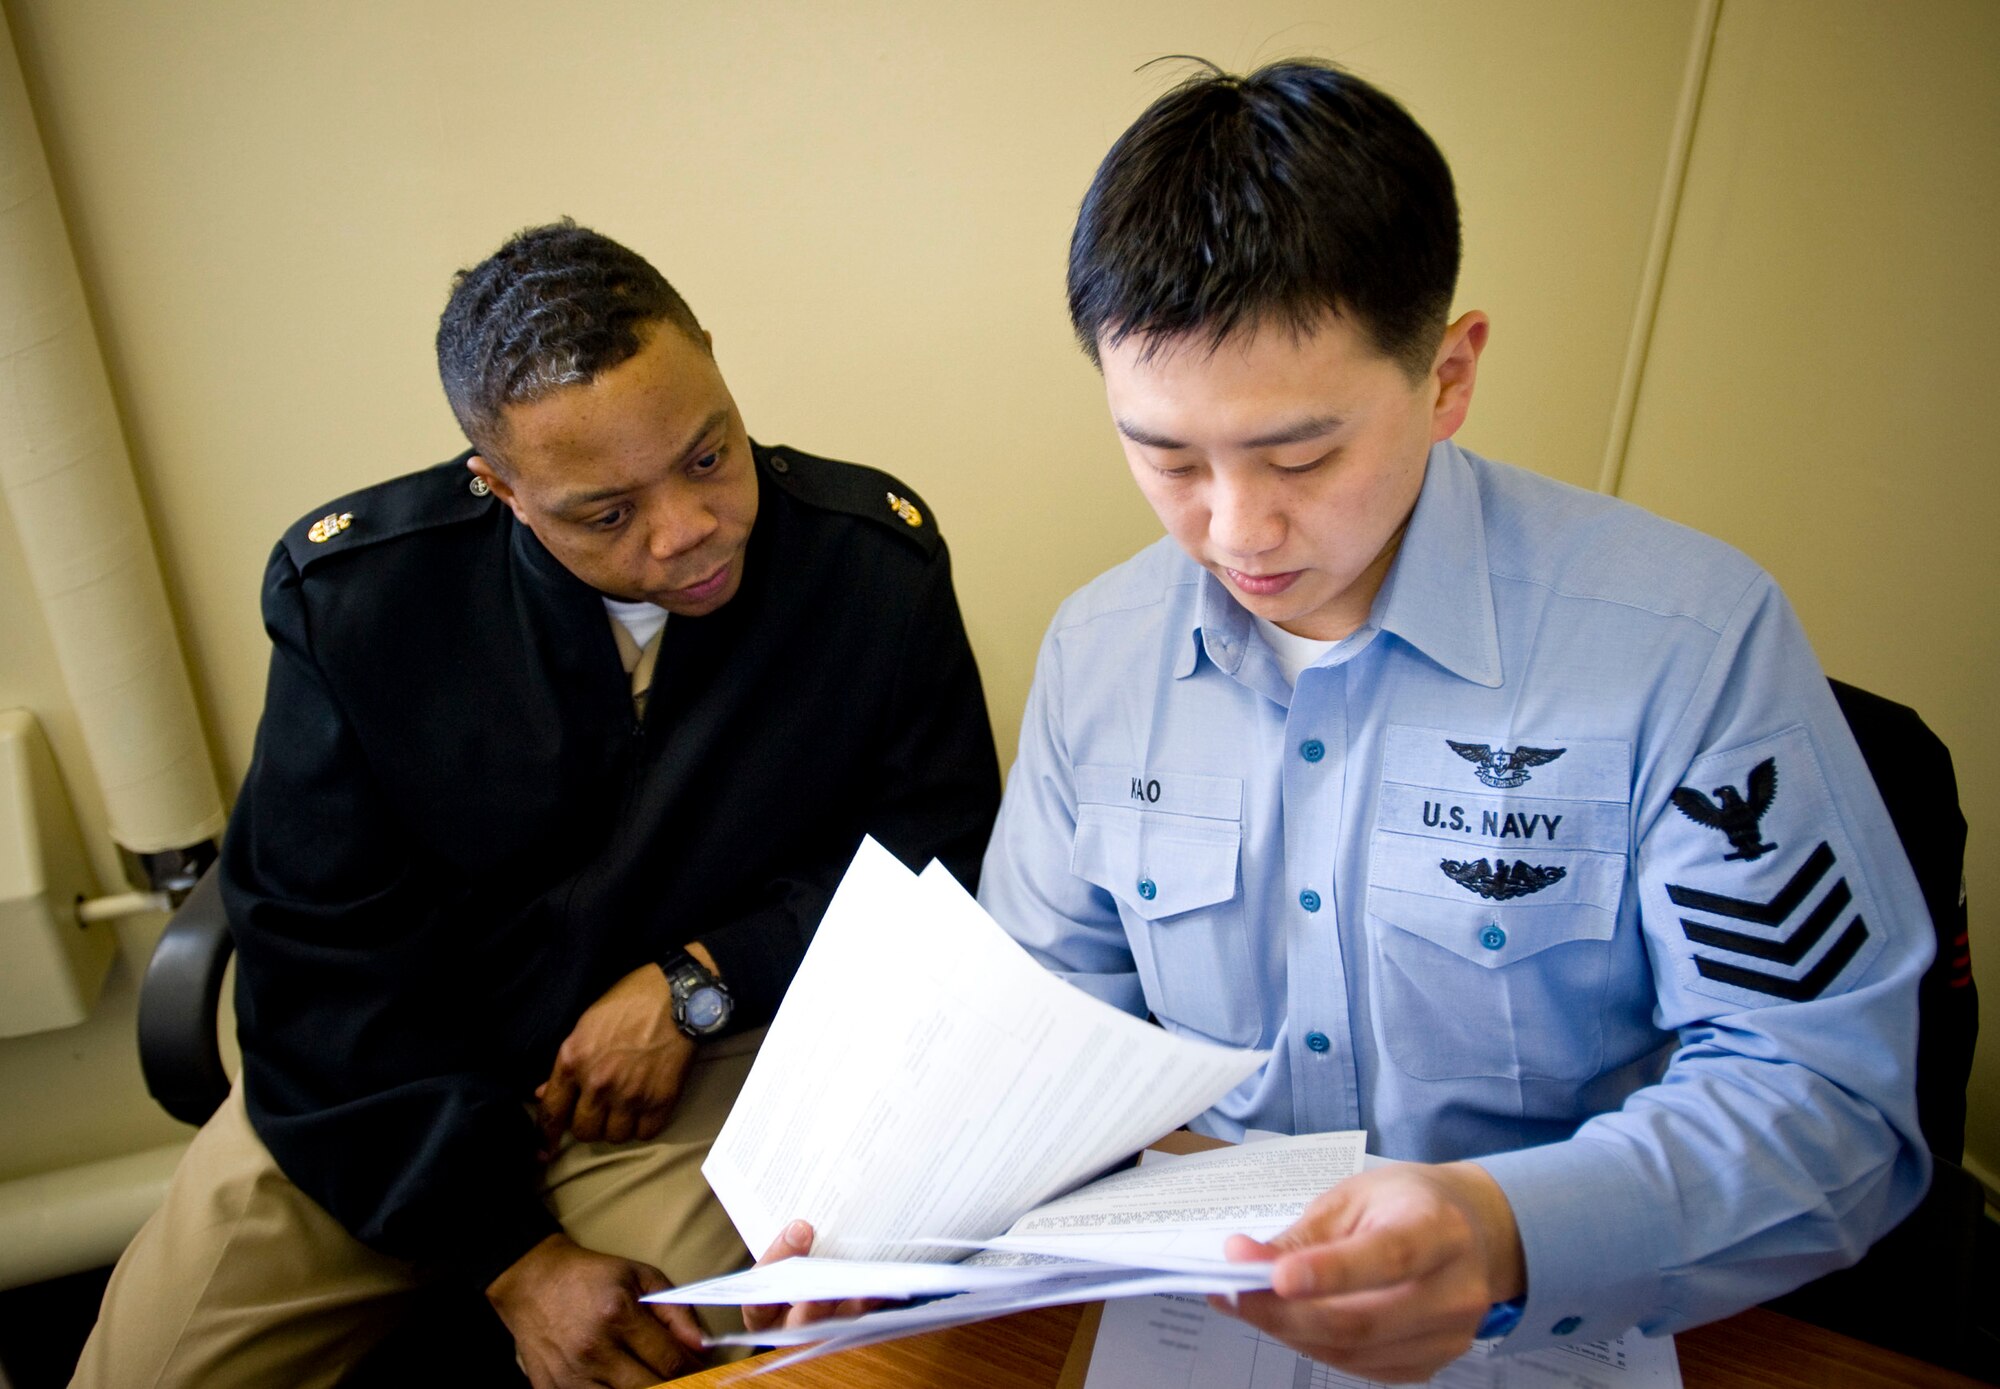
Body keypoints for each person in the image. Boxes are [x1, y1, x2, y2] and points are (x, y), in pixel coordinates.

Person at [964, 60, 1929, 1381]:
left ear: (1450, 372)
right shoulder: (1101, 651)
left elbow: (1830, 1102)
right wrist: (891, 1211)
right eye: (1169, 458)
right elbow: (1038, 1031)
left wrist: (1502, 1230)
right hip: (1192, 1317)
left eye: (1302, 456)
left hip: (1546, 1321)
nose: (1235, 531)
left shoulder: (1688, 641)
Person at [72, 220, 1001, 1389]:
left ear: (712, 362)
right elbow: (317, 964)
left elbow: (936, 860)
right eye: (604, 515)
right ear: (499, 487)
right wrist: (509, 1257)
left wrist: (703, 981)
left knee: (713, 1358)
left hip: (673, 1093)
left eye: (708, 455)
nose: (688, 531)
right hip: (381, 1102)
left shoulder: (869, 567)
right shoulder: (359, 601)